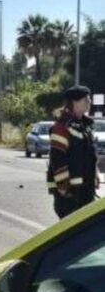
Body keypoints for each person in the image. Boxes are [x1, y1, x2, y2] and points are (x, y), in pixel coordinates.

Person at [47, 85, 100, 219]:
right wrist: (64, 188)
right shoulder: (61, 127)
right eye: (86, 99)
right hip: (70, 194)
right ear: (74, 102)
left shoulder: (85, 126)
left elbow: (89, 156)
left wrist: (95, 175)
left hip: (86, 191)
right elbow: (57, 158)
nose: (89, 102)